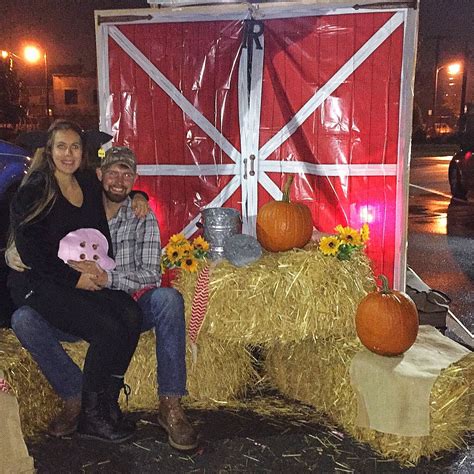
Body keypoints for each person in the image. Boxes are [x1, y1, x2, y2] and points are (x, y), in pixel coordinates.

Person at [8, 146, 198, 451]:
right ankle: (74, 396)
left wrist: (107, 278)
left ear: (135, 179)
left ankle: (170, 404)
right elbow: (39, 237)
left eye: (126, 174)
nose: (119, 181)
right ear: (99, 175)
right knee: (23, 319)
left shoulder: (141, 216)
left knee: (168, 299)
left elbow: (150, 274)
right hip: (79, 304)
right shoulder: (79, 204)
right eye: (112, 172)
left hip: (129, 305)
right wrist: (17, 253)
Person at [7, 120, 143, 443]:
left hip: (81, 276)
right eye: (61, 147)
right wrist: (75, 277)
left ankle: (107, 403)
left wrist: (139, 195)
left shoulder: (85, 184)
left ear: (84, 152)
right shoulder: (35, 190)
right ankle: (91, 417)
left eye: (75, 147)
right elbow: (33, 253)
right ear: (50, 150)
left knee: (131, 314)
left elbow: (108, 208)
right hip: (42, 284)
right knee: (107, 328)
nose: (68, 154)